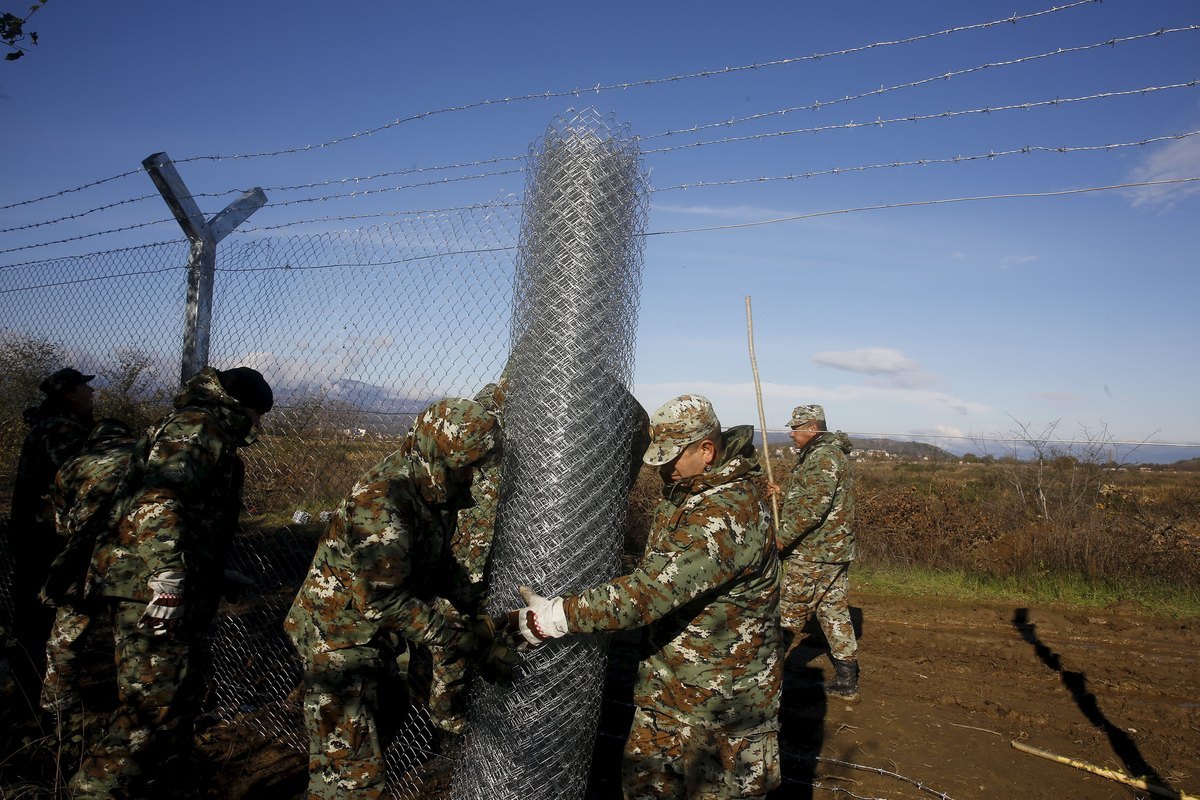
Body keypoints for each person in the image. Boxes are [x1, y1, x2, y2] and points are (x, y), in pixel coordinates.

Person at [515, 394, 782, 800]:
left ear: (706, 450)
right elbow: (655, 575)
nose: (663, 468)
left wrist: (556, 616)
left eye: (673, 457)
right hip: (668, 695)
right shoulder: (689, 493)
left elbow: (651, 592)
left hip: (722, 712)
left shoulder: (727, 513)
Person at [285, 397, 520, 800]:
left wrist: (474, 607)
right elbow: (383, 601)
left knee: (387, 717)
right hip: (338, 641)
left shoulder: (430, 490)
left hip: (372, 640)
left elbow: (439, 561)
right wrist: (463, 639)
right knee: (354, 781)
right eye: (467, 465)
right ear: (440, 454)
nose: (474, 477)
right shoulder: (382, 501)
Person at [68, 366, 274, 799]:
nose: (258, 427)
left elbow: (187, 507)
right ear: (243, 408)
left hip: (152, 579)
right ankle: (92, 790)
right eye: (258, 416)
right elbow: (161, 498)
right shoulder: (200, 426)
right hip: (151, 588)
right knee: (151, 712)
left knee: (176, 701)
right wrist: (170, 575)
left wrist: (210, 572)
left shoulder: (195, 423)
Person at [39, 418, 137, 737]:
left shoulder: (74, 465)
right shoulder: (145, 457)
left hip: (84, 560)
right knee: (132, 639)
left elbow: (58, 522)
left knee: (67, 635)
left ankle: (57, 711)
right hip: (134, 560)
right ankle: (136, 718)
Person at [7, 368, 95, 678]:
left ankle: (27, 679)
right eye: (86, 388)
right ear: (70, 394)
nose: (92, 393)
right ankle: (39, 686)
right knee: (46, 611)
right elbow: (80, 479)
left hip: (34, 529)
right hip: (47, 534)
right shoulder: (62, 429)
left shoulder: (49, 423)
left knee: (32, 608)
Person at [769, 404, 859, 700]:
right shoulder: (824, 454)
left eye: (796, 427)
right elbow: (811, 496)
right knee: (832, 610)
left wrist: (782, 538)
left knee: (787, 612)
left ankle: (765, 676)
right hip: (831, 551)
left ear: (812, 428)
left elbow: (813, 508)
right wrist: (783, 492)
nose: (791, 433)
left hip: (813, 552)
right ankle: (847, 680)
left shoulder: (823, 457)